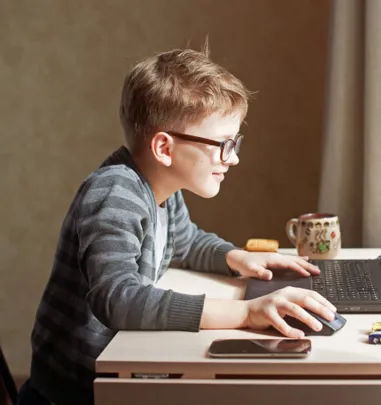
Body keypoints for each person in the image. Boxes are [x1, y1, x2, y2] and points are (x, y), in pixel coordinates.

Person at [17, 46, 336, 405]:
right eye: (223, 145)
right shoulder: (115, 193)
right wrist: (246, 312)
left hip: (114, 370)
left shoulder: (162, 191)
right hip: (75, 389)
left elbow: (186, 243)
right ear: (165, 149)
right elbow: (118, 299)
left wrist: (238, 258)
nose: (234, 159)